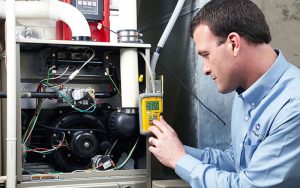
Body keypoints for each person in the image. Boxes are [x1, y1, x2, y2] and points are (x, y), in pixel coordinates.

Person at [148, 0, 300, 187]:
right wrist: (171, 148)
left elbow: (248, 185)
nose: (205, 69)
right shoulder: (244, 93)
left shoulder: (293, 106)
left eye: (206, 55)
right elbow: (235, 161)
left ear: (234, 43)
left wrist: (179, 160)